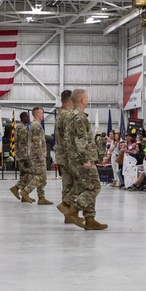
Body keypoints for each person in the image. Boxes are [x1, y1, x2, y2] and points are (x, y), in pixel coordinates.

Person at [62, 88, 106, 230]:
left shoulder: (70, 115)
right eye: (86, 97)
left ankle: (90, 219)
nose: (87, 100)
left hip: (74, 158)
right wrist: (86, 159)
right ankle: (73, 209)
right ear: (82, 100)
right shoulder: (79, 116)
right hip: (81, 159)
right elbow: (81, 140)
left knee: (87, 186)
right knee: (95, 187)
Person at [54, 90, 81, 225]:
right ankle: (68, 209)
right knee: (77, 183)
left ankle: (69, 215)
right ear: (71, 100)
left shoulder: (60, 114)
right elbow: (70, 137)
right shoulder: (68, 115)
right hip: (69, 155)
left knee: (67, 185)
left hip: (62, 155)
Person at [21, 107, 51, 204]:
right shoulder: (37, 126)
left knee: (40, 176)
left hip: (35, 155)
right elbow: (36, 142)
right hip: (38, 156)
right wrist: (41, 156)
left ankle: (41, 197)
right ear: (37, 114)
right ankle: (26, 191)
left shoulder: (33, 125)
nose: (43, 115)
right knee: (41, 177)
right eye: (42, 113)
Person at [10, 111, 33, 201]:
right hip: (24, 155)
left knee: (23, 174)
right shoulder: (22, 129)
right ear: (23, 118)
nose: (29, 119)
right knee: (30, 173)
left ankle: (24, 196)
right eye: (27, 117)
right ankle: (16, 187)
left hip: (21, 154)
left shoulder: (19, 127)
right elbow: (25, 142)